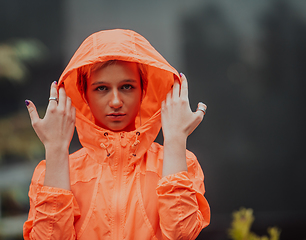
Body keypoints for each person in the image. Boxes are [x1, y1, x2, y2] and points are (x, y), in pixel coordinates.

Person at [23, 29, 210, 240]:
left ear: (143, 91)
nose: (115, 102)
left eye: (127, 87)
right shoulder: (52, 171)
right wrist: (55, 150)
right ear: (83, 95)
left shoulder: (181, 162)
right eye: (101, 88)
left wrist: (176, 139)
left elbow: (182, 235)